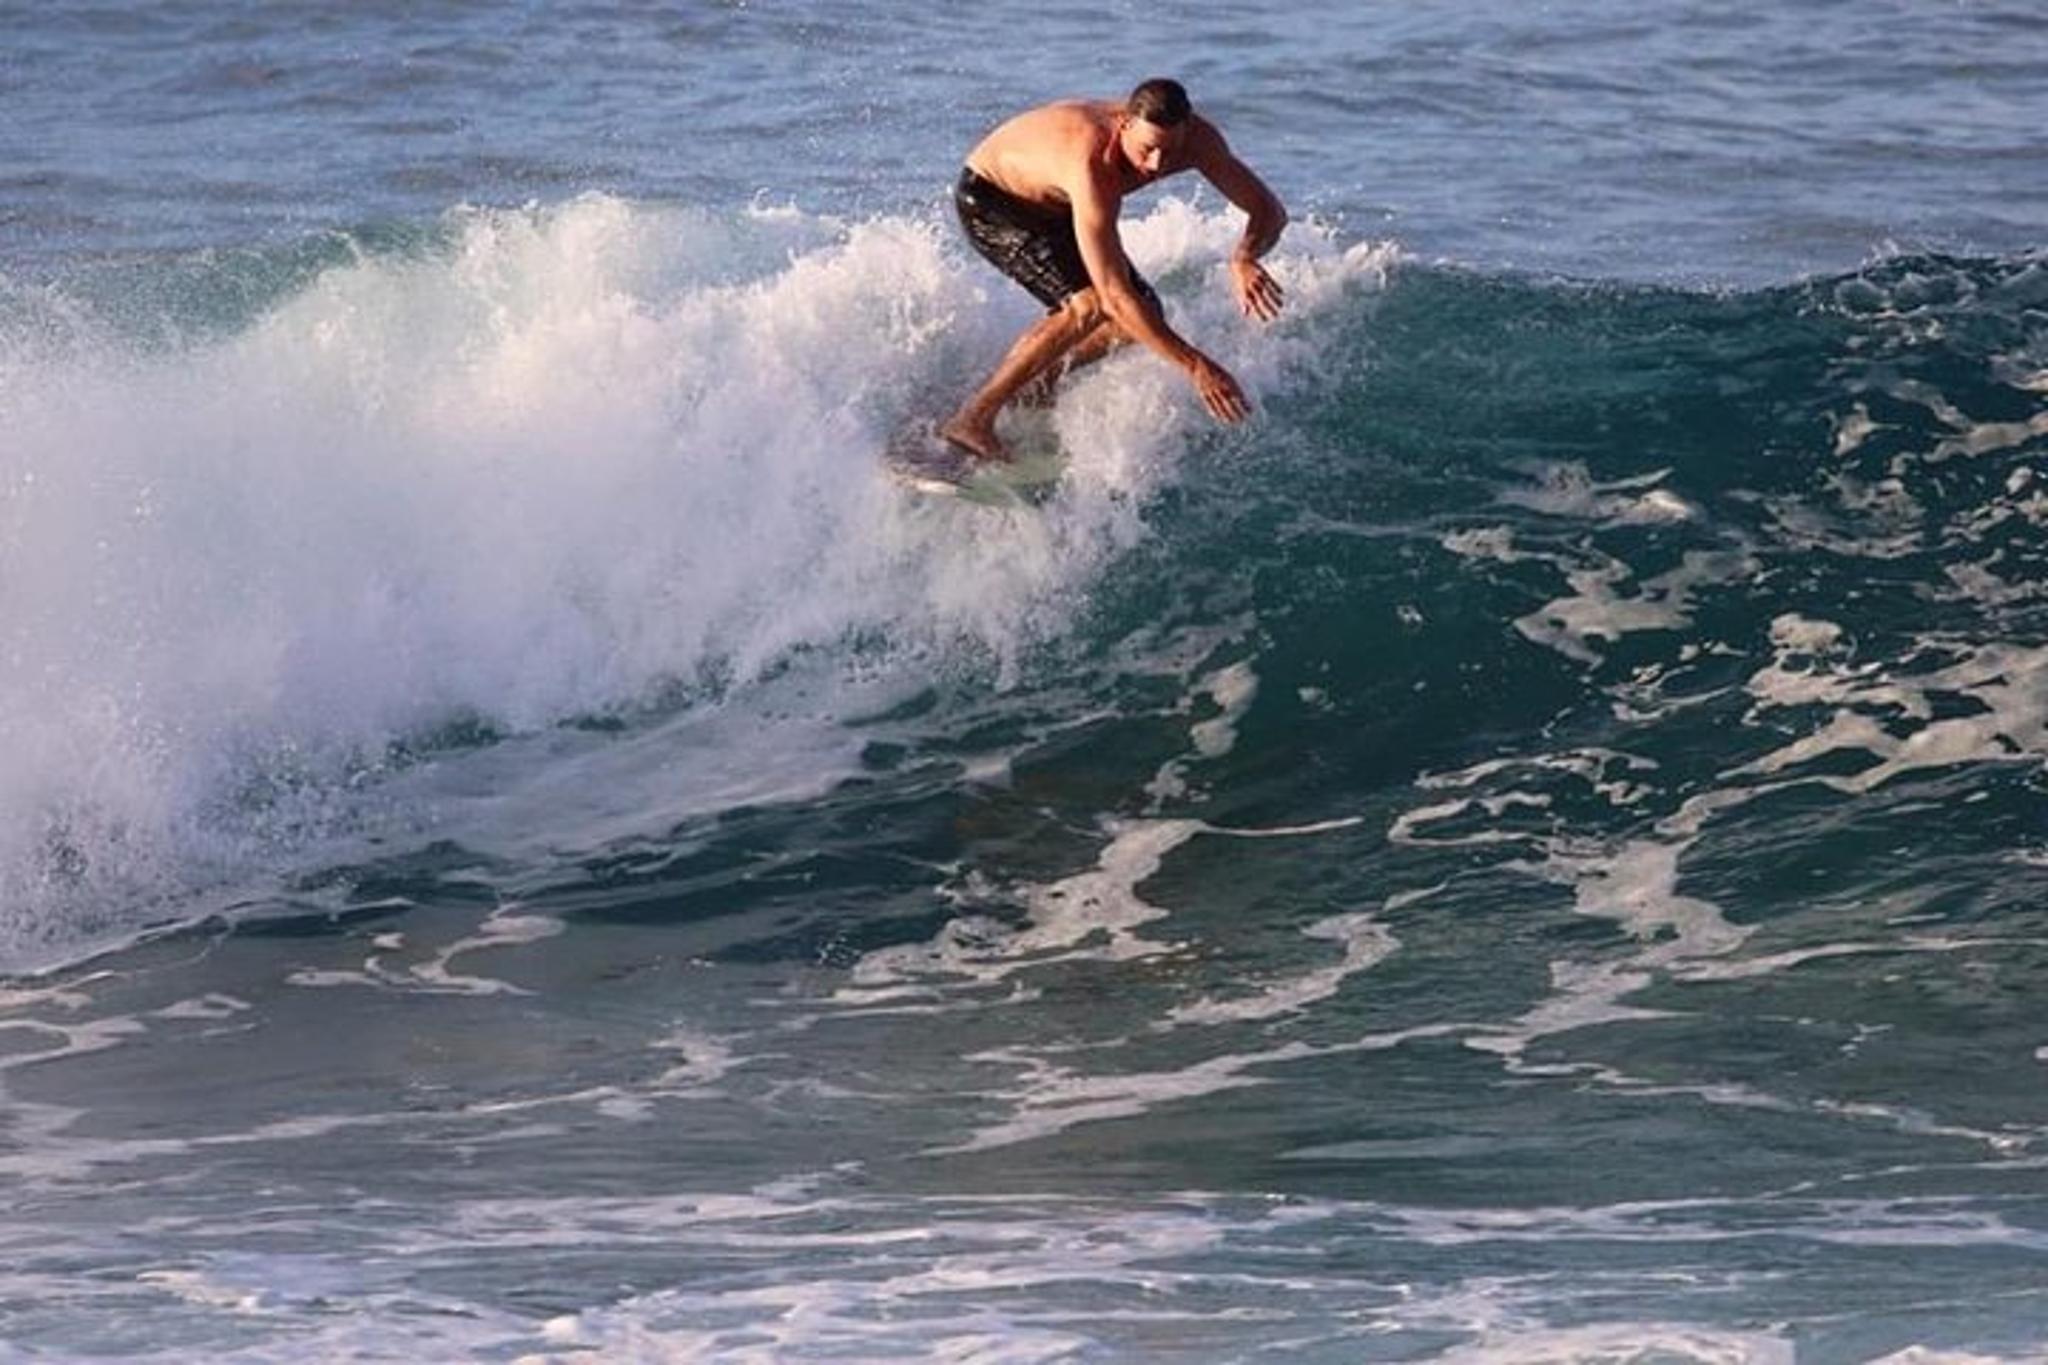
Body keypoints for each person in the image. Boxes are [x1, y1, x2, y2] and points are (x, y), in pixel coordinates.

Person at [940, 78, 1289, 463]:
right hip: (995, 200)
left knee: (1141, 318)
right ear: (1124, 125)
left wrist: (1243, 258)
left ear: (1188, 129)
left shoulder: (1200, 142)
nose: (1156, 165)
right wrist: (1197, 367)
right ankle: (972, 419)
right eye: (1147, 150)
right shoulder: (1092, 164)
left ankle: (1023, 392)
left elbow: (1268, 210)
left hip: (1060, 207)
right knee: (1091, 304)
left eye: (1169, 152)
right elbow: (1112, 295)